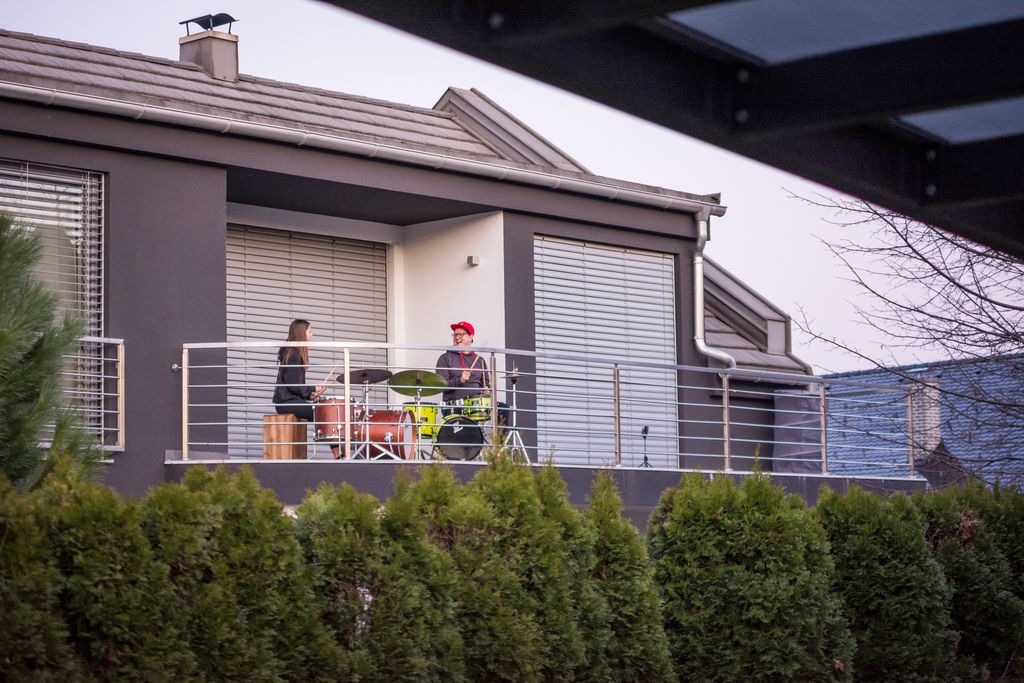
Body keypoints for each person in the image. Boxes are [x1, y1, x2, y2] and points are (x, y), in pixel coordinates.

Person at [272, 319, 338, 458]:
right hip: (286, 403)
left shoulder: (291, 353)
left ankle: (338, 452)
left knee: (324, 412)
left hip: (287, 401)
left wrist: (310, 395)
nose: (312, 334)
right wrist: (313, 388)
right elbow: (295, 385)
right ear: (302, 333)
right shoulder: (294, 355)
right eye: (310, 331)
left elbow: (294, 385)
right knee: (324, 414)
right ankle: (337, 454)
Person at [435, 320, 510, 425]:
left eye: (461, 334)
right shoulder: (445, 358)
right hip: (455, 405)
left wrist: (486, 390)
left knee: (503, 409)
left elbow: (486, 384)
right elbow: (440, 385)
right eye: (455, 334)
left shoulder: (480, 360)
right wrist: (460, 380)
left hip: (477, 404)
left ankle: (499, 436)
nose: (457, 337)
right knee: (467, 428)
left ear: (471, 337)